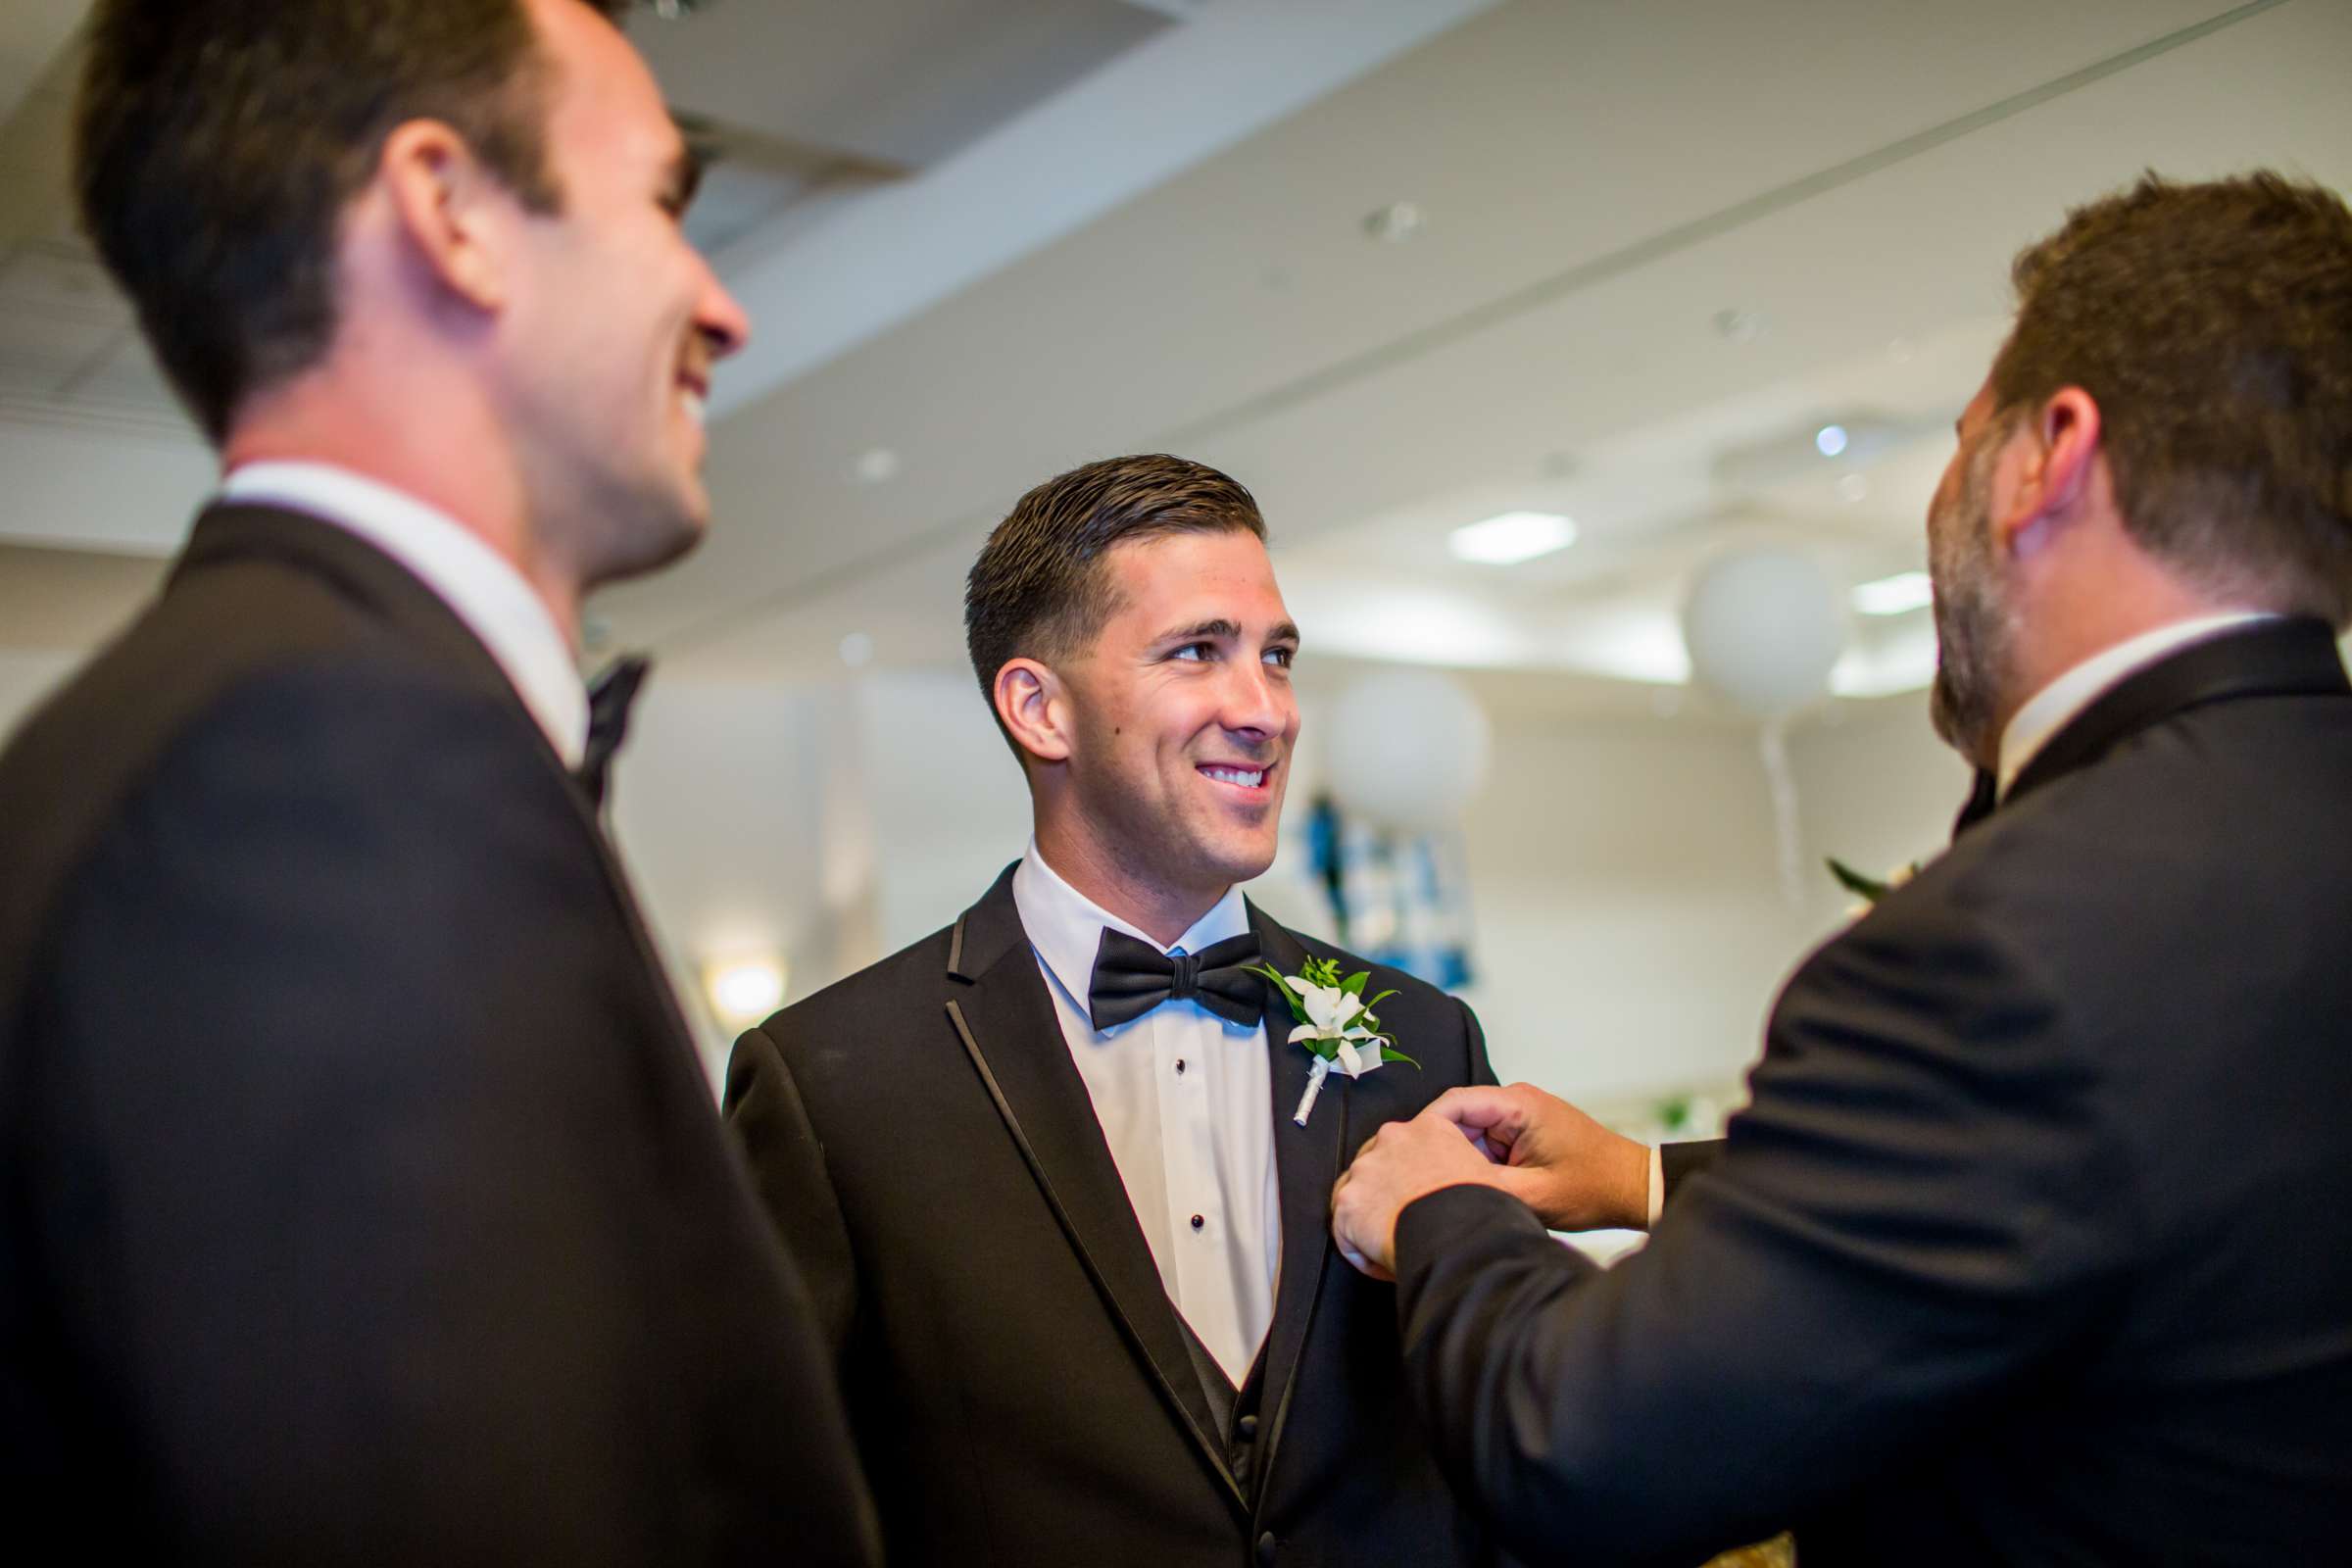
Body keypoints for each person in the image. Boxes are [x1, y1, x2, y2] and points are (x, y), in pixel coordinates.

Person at [1331, 171, 2352, 1566]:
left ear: (2048, 455)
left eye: (1963, 436)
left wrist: (1437, 1214)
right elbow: (2128, 1190)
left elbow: (1580, 1451)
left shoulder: (2000, 944)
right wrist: (1642, 1178)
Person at [0, 2, 876, 1561]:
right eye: (662, 206)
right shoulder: (316, 769)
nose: (725, 308)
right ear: (451, 215)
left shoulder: (248, 725)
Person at [725, 454, 1512, 1567]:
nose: (1268, 711)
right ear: (1039, 707)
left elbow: (1492, 1448)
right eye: (1200, 651)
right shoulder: (824, 1083)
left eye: (1276, 657)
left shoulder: (1422, 1035)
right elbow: (776, 1503)